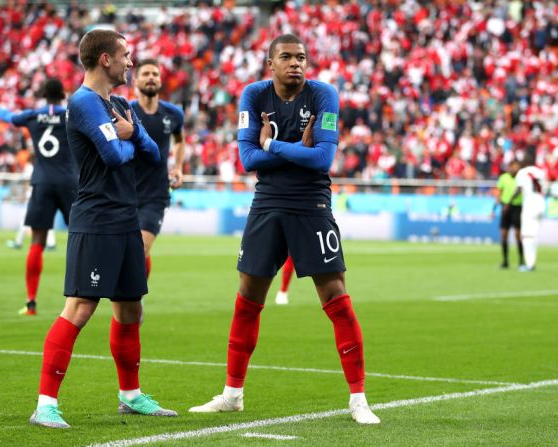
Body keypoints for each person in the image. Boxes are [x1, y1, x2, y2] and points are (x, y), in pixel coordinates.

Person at [189, 34, 380, 424]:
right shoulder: (254, 96)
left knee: (335, 296)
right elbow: (246, 159)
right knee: (248, 295)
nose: (296, 63)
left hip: (311, 202)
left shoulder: (323, 94)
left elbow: (322, 158)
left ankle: (358, 399)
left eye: (302, 57)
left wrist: (273, 145)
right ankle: (232, 394)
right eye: (287, 57)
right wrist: (296, 150)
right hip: (268, 202)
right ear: (270, 63)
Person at [29, 29, 176, 429]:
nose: (132, 62)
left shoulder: (121, 103)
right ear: (106, 60)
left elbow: (155, 152)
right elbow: (113, 155)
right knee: (79, 308)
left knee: (131, 310)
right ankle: (45, 404)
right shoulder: (82, 103)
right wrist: (131, 138)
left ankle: (130, 395)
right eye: (126, 55)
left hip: (126, 216)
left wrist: (134, 135)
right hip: (95, 219)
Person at [0, 78, 78, 316]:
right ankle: (81, 295)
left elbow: (7, 117)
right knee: (80, 239)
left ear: (43, 94)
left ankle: (31, 302)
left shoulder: (32, 115)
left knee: (37, 243)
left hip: (42, 181)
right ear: (63, 94)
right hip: (69, 182)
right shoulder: (71, 115)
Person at [130, 59, 185, 279]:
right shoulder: (124, 111)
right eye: (146, 74)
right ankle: (134, 303)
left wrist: (178, 167)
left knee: (139, 249)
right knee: (132, 250)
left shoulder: (173, 114)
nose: (151, 77)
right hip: (126, 192)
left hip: (156, 194)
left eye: (155, 74)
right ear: (135, 80)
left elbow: (180, 140)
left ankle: (134, 301)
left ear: (160, 81)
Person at [508, 155, 548, 272]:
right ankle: (532, 262)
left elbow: (518, 189)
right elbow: (545, 188)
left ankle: (529, 264)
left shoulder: (522, 172)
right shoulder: (541, 172)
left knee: (526, 236)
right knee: (533, 235)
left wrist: (510, 200)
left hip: (530, 204)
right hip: (541, 203)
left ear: (525, 163)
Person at [492, 160, 523, 269]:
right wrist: (494, 208)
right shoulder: (504, 177)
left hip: (517, 207)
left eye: (517, 167)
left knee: (518, 234)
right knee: (504, 234)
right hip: (505, 207)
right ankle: (505, 260)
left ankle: (521, 260)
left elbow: (520, 191)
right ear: (509, 167)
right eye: (513, 167)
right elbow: (499, 193)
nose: (515, 169)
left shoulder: (521, 177)